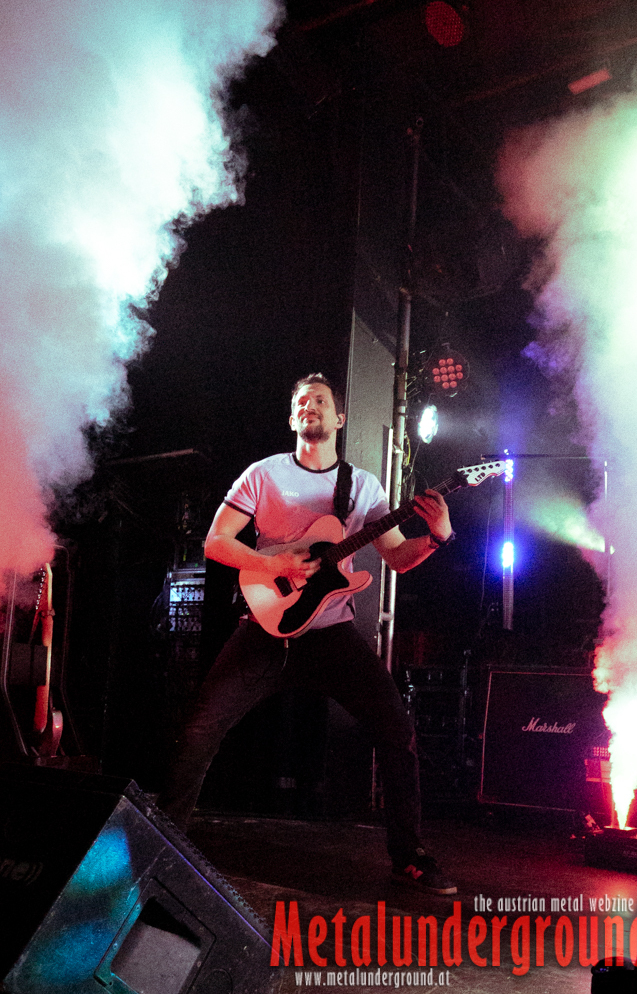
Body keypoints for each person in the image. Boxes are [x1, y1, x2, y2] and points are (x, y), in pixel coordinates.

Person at [158, 373, 457, 894]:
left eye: (319, 399)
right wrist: (271, 562)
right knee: (200, 730)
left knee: (397, 729)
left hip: (331, 636)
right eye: (301, 401)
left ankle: (409, 855)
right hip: (263, 629)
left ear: (339, 418)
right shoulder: (263, 474)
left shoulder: (363, 487)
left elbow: (396, 557)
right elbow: (215, 543)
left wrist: (437, 537)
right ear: (292, 418)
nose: (309, 405)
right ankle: (161, 844)